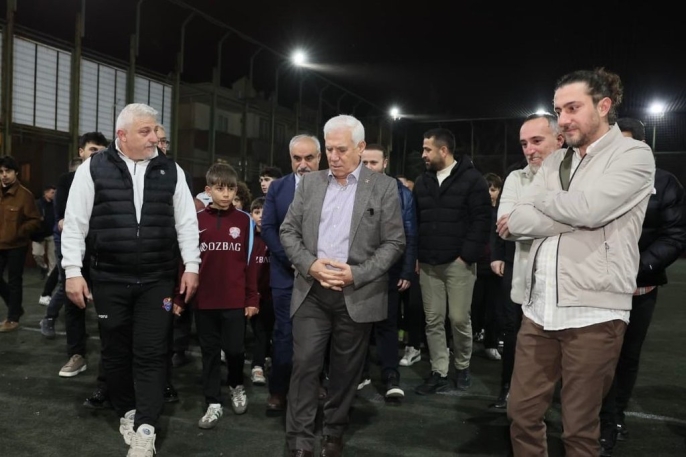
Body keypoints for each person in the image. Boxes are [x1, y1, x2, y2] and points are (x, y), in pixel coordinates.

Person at [498, 68, 656, 456]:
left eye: (573, 108)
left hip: (594, 313)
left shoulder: (634, 154)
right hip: (539, 310)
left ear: (603, 106)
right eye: (558, 110)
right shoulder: (555, 161)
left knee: (579, 430)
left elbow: (591, 210)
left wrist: (544, 202)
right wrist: (571, 210)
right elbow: (514, 223)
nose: (563, 119)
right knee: (521, 414)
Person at [61, 103, 200, 457]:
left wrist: (192, 265)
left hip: (157, 279)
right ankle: (127, 412)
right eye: (145, 131)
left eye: (155, 130)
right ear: (122, 135)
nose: (155, 138)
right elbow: (75, 223)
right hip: (109, 278)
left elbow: (186, 222)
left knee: (152, 353)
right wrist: (73, 271)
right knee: (115, 352)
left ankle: (146, 427)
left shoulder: (171, 170)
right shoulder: (93, 168)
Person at [280, 114, 405, 457]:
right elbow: (287, 231)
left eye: (341, 149)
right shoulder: (309, 183)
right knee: (304, 364)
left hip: (357, 295)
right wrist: (311, 265)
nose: (333, 157)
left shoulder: (384, 187)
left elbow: (394, 242)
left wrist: (357, 274)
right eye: (329, 149)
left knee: (346, 371)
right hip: (312, 292)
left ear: (360, 147)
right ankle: (300, 440)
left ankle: (333, 431)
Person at [598, 117, 686, 456]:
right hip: (599, 288)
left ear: (643, 145)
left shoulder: (664, 183)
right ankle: (597, 415)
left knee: (627, 356)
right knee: (596, 357)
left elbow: (675, 235)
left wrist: (636, 267)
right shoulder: (598, 179)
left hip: (640, 289)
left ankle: (614, 417)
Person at [489, 113, 564, 412]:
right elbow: (506, 227)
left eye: (536, 141)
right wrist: (562, 221)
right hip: (524, 282)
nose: (529, 150)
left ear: (560, 140)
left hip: (565, 283)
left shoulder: (577, 176)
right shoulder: (515, 178)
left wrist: (526, 218)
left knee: (563, 347)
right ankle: (508, 389)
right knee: (516, 338)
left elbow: (584, 219)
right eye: (524, 144)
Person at [412, 128, 491, 395]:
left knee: (458, 318)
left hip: (459, 264)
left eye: (427, 149)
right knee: (433, 320)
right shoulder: (422, 181)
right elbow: (416, 221)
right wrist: (417, 255)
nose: (423, 154)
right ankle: (439, 371)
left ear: (443, 150)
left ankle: (462, 365)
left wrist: (465, 256)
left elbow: (482, 220)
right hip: (429, 263)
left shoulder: (473, 179)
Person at [186, 163, 259, 429]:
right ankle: (213, 402)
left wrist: (252, 298)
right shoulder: (196, 220)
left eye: (230, 189)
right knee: (209, 353)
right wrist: (181, 298)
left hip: (234, 300)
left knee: (235, 350)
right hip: (205, 300)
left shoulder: (244, 220)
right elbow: (187, 261)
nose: (226, 194)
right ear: (208, 190)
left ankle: (236, 384)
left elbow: (250, 263)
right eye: (220, 189)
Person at [40, 133, 109, 386]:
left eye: (101, 150)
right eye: (92, 149)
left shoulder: (111, 180)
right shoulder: (67, 180)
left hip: (105, 253)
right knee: (73, 304)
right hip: (77, 253)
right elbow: (61, 219)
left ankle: (110, 361)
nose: (96, 154)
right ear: (81, 152)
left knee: (109, 308)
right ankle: (76, 354)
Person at [261, 134, 321, 414]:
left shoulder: (334, 186)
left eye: (309, 158)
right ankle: (278, 390)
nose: (303, 164)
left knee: (318, 335)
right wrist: (294, 261)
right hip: (285, 274)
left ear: (319, 158)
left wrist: (312, 265)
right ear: (290, 159)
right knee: (284, 333)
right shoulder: (278, 188)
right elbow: (268, 228)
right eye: (297, 158)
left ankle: (313, 385)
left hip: (320, 274)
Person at [359, 143, 417, 400]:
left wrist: (406, 270)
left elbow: (410, 233)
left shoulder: (401, 193)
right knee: (357, 325)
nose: (369, 167)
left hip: (390, 269)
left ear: (385, 163)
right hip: (357, 269)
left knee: (387, 324)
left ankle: (391, 375)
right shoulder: (350, 189)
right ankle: (360, 374)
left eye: (374, 162)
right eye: (364, 162)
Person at [0, 155, 42, 333]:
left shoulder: (25, 195)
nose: (4, 175)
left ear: (16, 172)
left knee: (15, 281)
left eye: (8, 171)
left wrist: (19, 231)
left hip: (17, 245)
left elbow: (35, 220)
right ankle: (16, 307)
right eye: (1, 172)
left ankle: (13, 319)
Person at [470, 172, 502, 360]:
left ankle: (491, 344)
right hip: (477, 265)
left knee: (494, 309)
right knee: (473, 306)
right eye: (487, 189)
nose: (490, 193)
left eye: (493, 189)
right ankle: (470, 343)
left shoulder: (503, 211)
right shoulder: (476, 211)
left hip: (496, 268)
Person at [248, 196, 274, 386]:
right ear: (251, 215)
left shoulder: (276, 237)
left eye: (265, 212)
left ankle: (264, 360)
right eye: (257, 212)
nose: (261, 216)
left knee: (271, 330)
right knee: (259, 331)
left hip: (273, 293)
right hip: (253, 294)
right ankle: (258, 364)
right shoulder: (248, 238)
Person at [32, 185, 57, 283]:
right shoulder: (37, 204)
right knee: (37, 254)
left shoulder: (55, 204)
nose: (54, 195)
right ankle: (43, 267)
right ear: (46, 193)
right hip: (39, 233)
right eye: (52, 192)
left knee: (52, 257)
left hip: (52, 233)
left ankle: (51, 275)